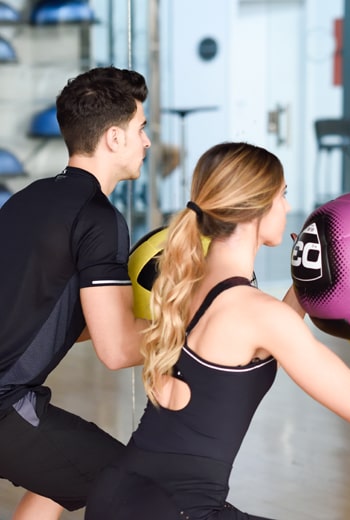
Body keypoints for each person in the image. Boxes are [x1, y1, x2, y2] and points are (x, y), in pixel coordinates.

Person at [85, 141, 350, 519]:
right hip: (175, 510)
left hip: (119, 494)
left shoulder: (188, 285)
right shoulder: (254, 311)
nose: (288, 208)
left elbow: (261, 334)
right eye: (283, 195)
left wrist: (312, 276)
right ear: (256, 209)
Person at [0, 66, 151, 519]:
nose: (146, 141)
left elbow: (44, 317)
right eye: (140, 128)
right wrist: (200, 324)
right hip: (4, 405)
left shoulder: (27, 198)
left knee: (63, 474)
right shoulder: (100, 219)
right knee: (130, 482)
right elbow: (117, 349)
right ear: (113, 137)